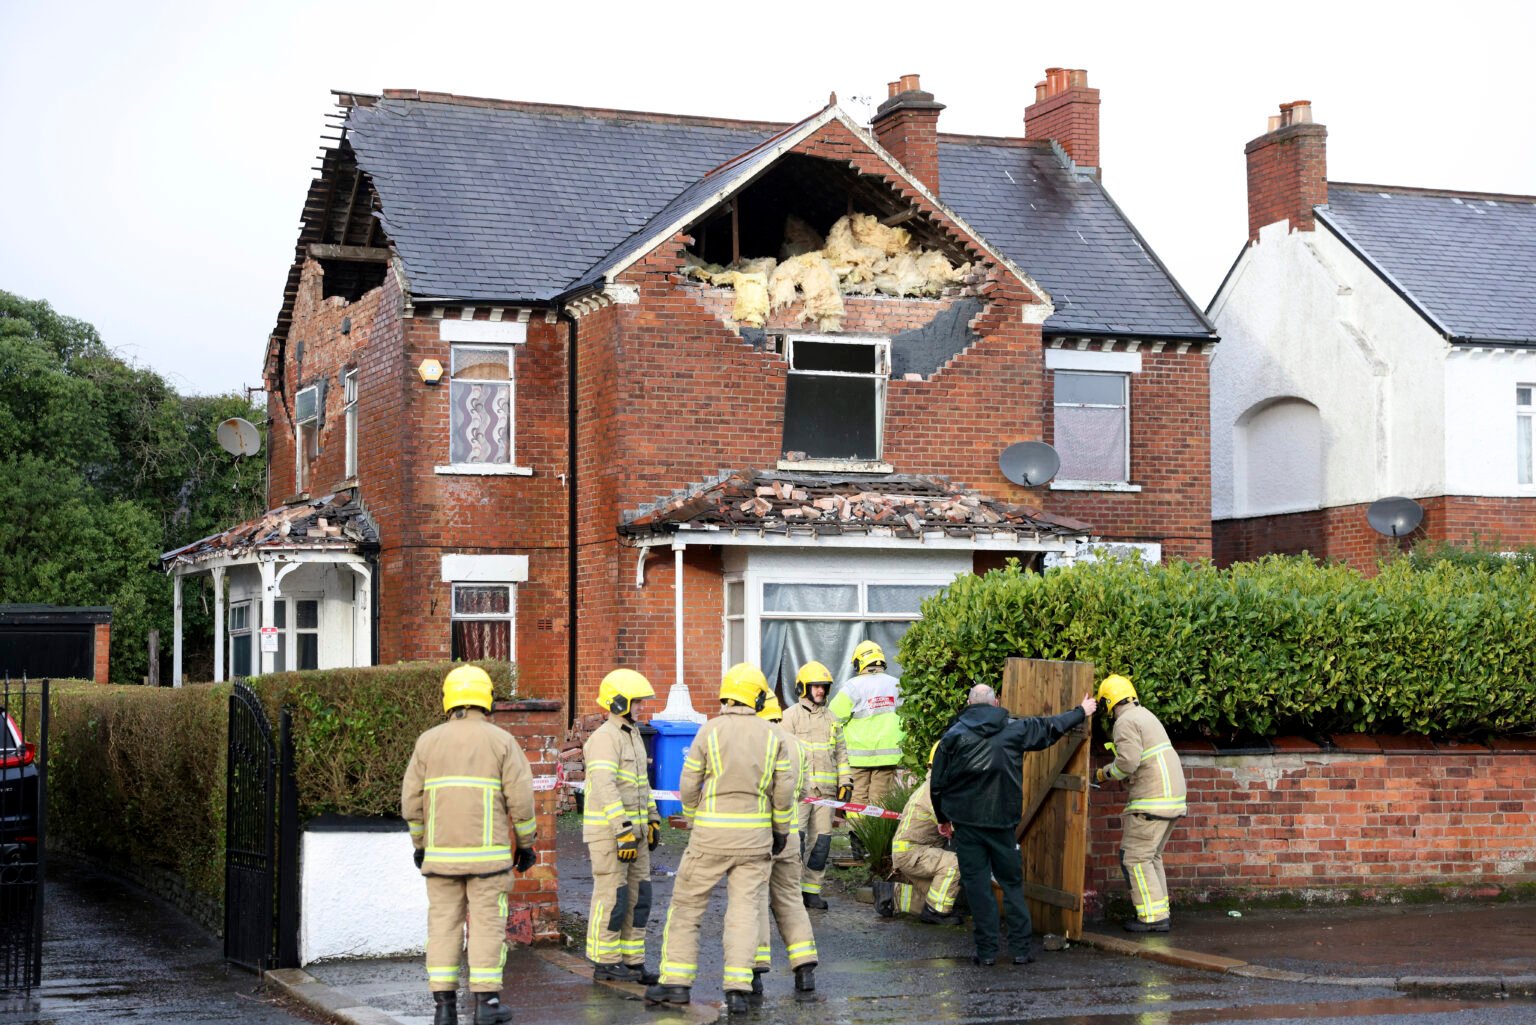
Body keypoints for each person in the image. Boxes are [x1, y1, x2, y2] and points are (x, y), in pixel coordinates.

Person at [645, 664, 794, 1015]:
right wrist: (780, 831)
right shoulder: (773, 736)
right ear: (757, 696)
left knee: (686, 907)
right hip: (755, 841)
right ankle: (739, 989)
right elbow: (784, 791)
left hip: (709, 840)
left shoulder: (708, 731)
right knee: (744, 912)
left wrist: (696, 820)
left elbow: (688, 784)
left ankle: (677, 984)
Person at [401, 665, 537, 1025]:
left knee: (443, 925)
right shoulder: (501, 741)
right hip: (489, 861)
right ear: (486, 698)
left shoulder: (427, 741)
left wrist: (420, 844)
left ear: (449, 699)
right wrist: (525, 844)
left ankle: (444, 1009)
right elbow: (521, 800)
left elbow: (411, 802)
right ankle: (487, 1005)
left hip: (440, 859)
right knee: (487, 925)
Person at [930, 683, 1096, 967]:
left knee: (978, 887)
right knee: (1012, 884)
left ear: (969, 703)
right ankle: (1020, 950)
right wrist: (1081, 711)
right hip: (1003, 823)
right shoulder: (1014, 729)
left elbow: (938, 784)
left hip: (967, 824)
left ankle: (986, 953)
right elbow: (1051, 728)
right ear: (996, 702)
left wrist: (943, 818)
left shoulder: (953, 736)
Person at [582, 668, 662, 983]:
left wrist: (653, 819)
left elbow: (642, 784)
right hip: (611, 835)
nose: (641, 707)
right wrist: (622, 830)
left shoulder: (633, 735)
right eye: (637, 702)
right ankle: (605, 960)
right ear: (618, 703)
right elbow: (605, 787)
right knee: (612, 896)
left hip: (636, 835)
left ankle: (632, 961)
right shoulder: (604, 739)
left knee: (639, 896)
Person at [1094, 674, 1187, 933]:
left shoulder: (1125, 722)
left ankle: (1152, 918)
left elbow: (1127, 763)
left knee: (1134, 858)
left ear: (1109, 702)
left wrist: (1103, 774)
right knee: (1150, 856)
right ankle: (1159, 911)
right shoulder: (1145, 715)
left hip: (1152, 801)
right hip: (1171, 800)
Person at [752, 692, 819, 994]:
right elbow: (804, 790)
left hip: (759, 837)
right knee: (791, 900)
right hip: (790, 837)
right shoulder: (797, 746)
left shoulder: (754, 743)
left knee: (752, 903)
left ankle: (755, 973)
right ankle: (804, 967)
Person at [779, 660, 849, 908]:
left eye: (824, 686)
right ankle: (788, 893)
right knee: (792, 845)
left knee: (821, 844)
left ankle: (811, 891)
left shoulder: (833, 719)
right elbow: (781, 755)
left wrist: (846, 783)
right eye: (816, 686)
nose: (820, 690)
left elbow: (841, 754)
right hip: (798, 794)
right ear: (803, 688)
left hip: (826, 795)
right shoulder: (788, 717)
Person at [830, 641, 902, 863]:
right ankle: (878, 849)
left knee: (857, 803)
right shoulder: (897, 684)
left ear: (859, 662)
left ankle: (859, 848)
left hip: (858, 759)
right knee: (880, 802)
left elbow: (833, 719)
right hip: (888, 758)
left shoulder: (852, 687)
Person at [874, 743, 961, 924]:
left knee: (942, 895)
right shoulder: (935, 791)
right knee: (955, 864)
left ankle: (892, 896)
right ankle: (936, 913)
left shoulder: (934, 786)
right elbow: (957, 824)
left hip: (912, 851)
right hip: (913, 852)